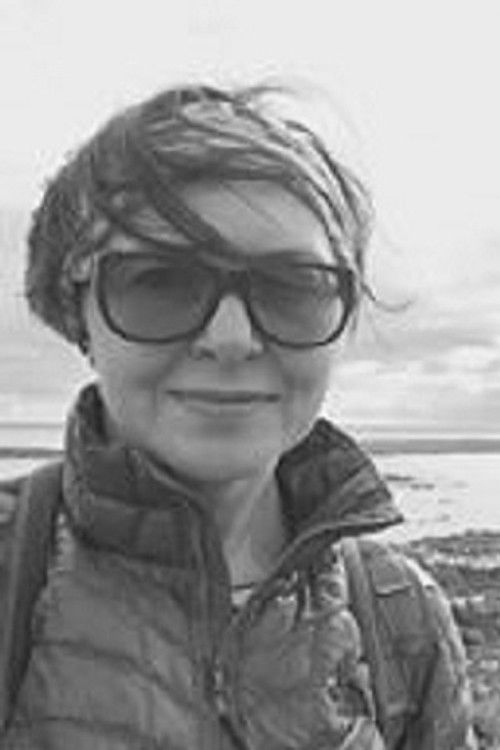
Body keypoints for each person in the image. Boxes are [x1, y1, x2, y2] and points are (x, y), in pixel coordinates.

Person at [0, 83, 476, 749]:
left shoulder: (402, 618)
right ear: (78, 311)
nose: (231, 338)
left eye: (293, 287)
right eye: (158, 281)